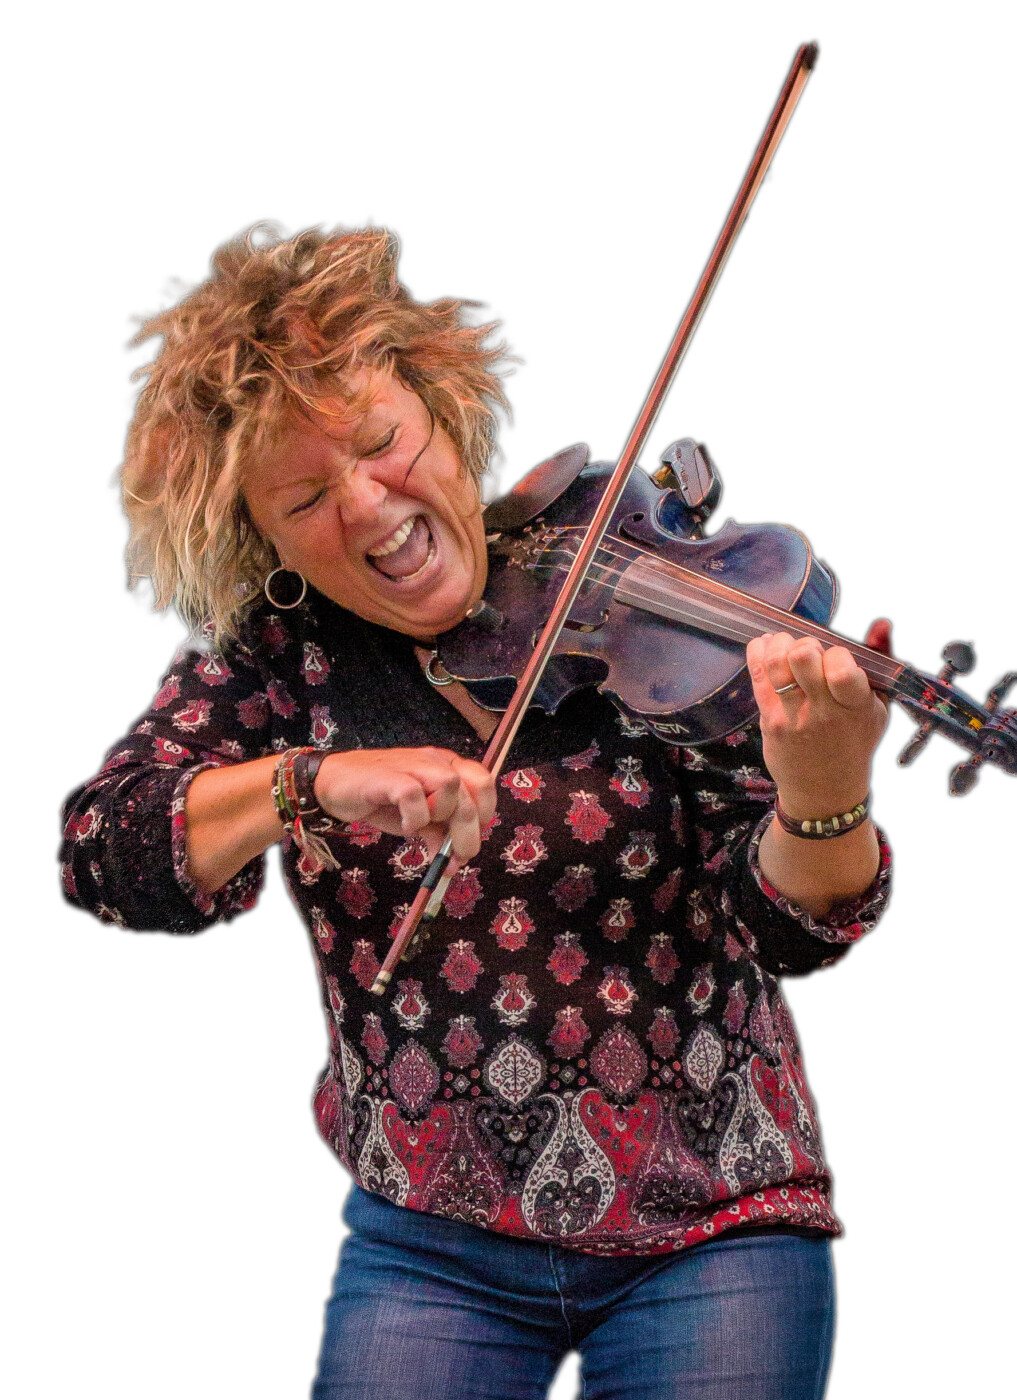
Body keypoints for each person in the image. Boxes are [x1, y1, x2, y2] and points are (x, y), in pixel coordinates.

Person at [61, 224, 893, 1400]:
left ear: (447, 416)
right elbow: (111, 847)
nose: (367, 504)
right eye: (306, 495)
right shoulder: (280, 658)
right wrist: (309, 779)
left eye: (381, 442)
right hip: (427, 1243)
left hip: (719, 1219)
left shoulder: (637, 605)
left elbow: (792, 927)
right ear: (267, 538)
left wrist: (823, 794)